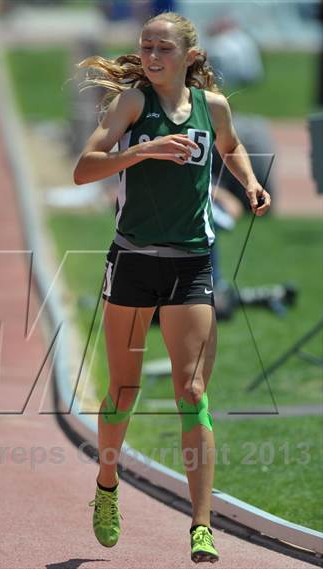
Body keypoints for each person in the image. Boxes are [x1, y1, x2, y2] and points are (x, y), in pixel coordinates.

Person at [74, 12, 270, 564]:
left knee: (192, 393)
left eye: (163, 48)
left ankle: (202, 527)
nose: (152, 55)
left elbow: (229, 147)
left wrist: (250, 182)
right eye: (145, 47)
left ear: (188, 54)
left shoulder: (215, 108)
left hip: (192, 263)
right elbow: (84, 168)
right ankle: (107, 486)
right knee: (125, 390)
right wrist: (142, 151)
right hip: (134, 260)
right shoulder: (132, 105)